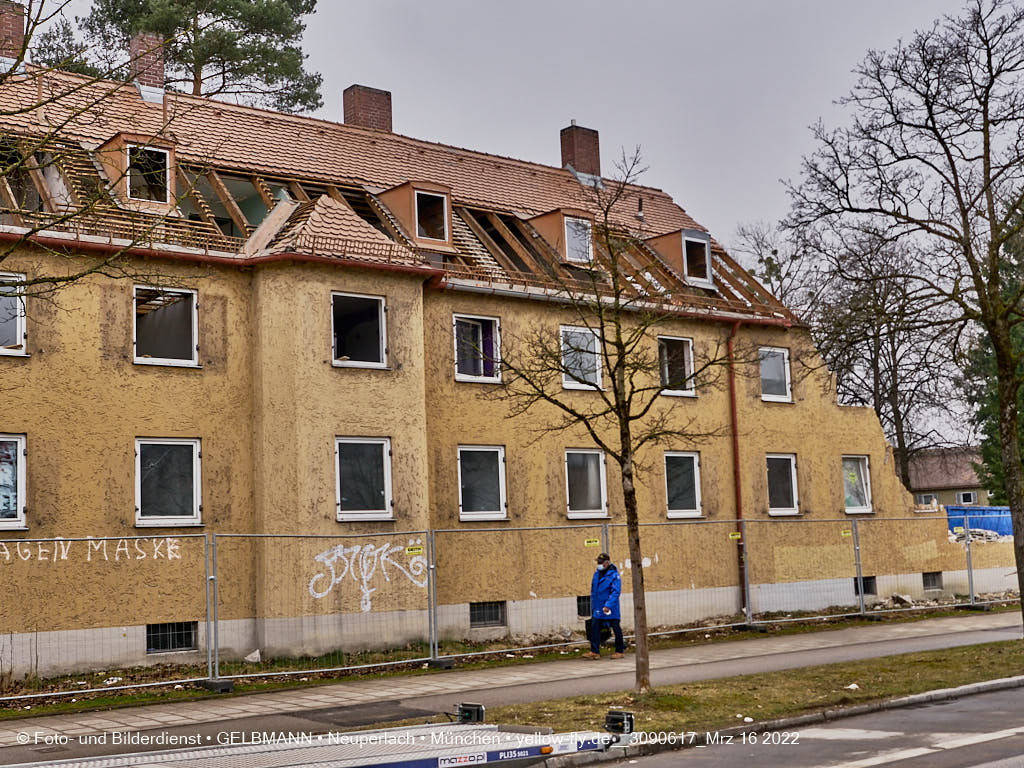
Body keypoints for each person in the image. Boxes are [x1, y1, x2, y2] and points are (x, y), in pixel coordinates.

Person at [585, 552, 625, 659]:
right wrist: (593, 605)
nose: (598, 564)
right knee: (594, 628)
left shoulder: (614, 575)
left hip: (610, 608)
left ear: (607, 563)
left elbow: (615, 592)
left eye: (601, 562)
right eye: (598, 562)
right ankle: (595, 651)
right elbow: (594, 590)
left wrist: (608, 605)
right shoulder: (596, 574)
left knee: (616, 628)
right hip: (598, 607)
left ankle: (620, 651)